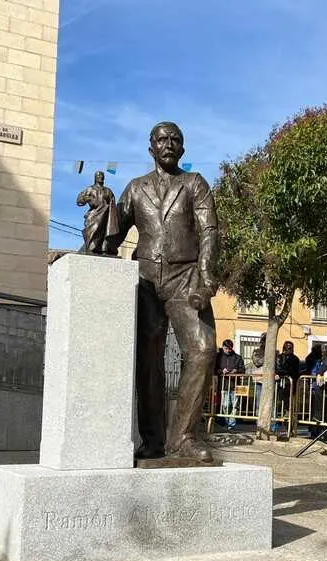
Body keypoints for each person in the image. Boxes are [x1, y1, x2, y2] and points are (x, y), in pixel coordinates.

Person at [107, 122, 218, 462]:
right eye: (162, 139)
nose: (169, 144)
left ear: (182, 149)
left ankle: (182, 437)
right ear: (151, 147)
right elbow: (113, 232)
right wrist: (99, 217)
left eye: (175, 140)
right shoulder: (135, 187)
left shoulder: (194, 183)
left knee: (202, 350)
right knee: (148, 360)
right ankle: (153, 440)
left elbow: (209, 231)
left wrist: (205, 275)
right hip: (145, 279)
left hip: (185, 275)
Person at [77, 170, 119, 255]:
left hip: (106, 216)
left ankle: (104, 249)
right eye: (98, 176)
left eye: (102, 176)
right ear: (95, 178)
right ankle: (92, 248)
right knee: (94, 230)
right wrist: (86, 199)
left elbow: (113, 203)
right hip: (94, 214)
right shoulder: (90, 189)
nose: (100, 177)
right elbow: (79, 201)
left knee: (105, 232)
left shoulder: (108, 191)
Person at [215, 339, 245, 430]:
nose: (228, 350)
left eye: (230, 348)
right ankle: (228, 421)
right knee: (225, 405)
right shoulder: (218, 357)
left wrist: (236, 371)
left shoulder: (237, 357)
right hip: (224, 385)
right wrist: (221, 371)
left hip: (235, 385)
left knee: (235, 405)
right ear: (223, 347)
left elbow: (243, 369)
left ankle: (231, 424)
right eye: (226, 348)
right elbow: (215, 369)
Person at [274, 341, 300, 433]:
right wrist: (282, 374)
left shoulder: (295, 359)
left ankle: (290, 428)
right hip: (281, 386)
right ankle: (277, 427)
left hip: (291, 385)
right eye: (288, 348)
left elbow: (295, 371)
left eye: (291, 348)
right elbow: (278, 369)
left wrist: (284, 373)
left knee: (290, 407)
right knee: (279, 406)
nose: (290, 349)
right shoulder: (279, 357)